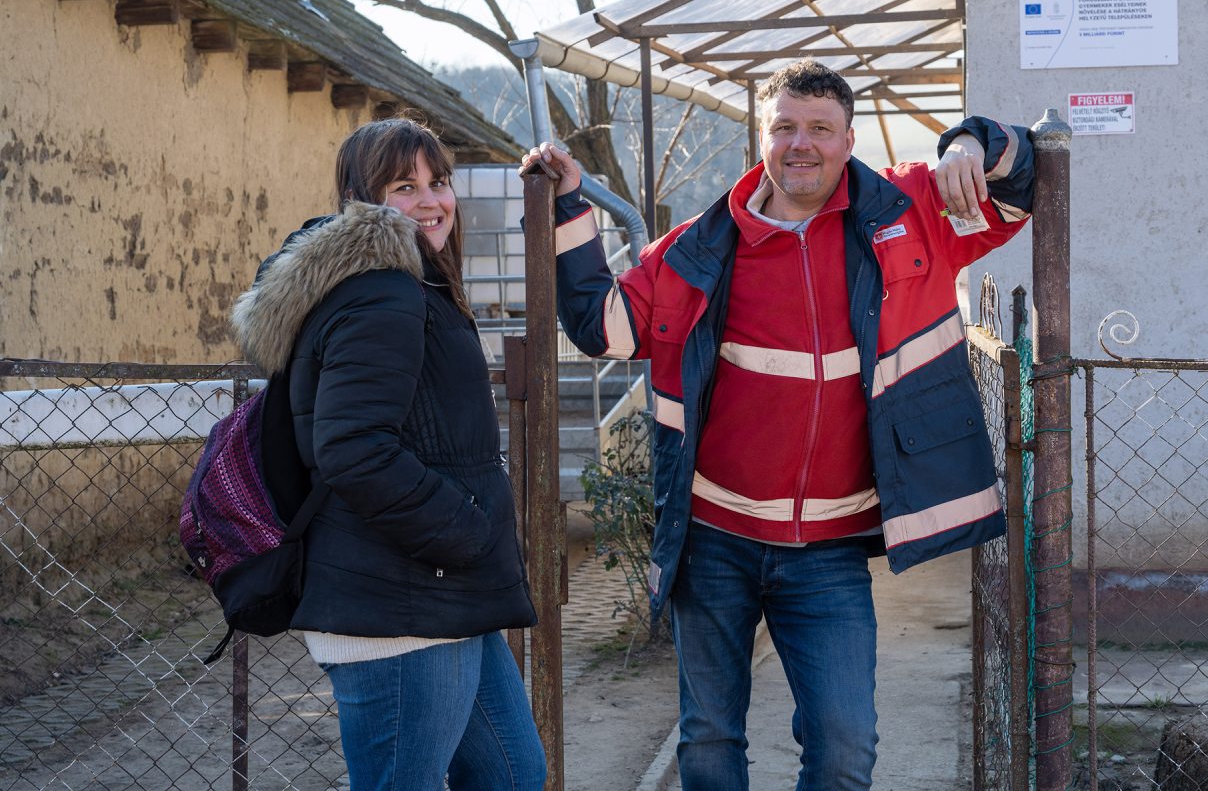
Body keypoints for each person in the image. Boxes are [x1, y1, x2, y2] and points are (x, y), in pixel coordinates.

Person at [523, 59, 1034, 790]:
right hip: (713, 543)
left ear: (848, 137)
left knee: (845, 747)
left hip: (826, 554)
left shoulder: (908, 210)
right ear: (761, 140)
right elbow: (601, 328)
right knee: (707, 743)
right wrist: (569, 207)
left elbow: (1025, 189)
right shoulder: (699, 250)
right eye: (785, 127)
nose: (803, 144)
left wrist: (973, 143)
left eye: (820, 129)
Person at [232, 117, 545, 791]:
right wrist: (462, 528)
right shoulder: (381, 292)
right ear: (362, 200)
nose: (432, 201)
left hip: (441, 593)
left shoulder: (408, 285)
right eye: (406, 186)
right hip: (399, 607)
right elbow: (352, 449)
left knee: (514, 775)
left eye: (439, 182)